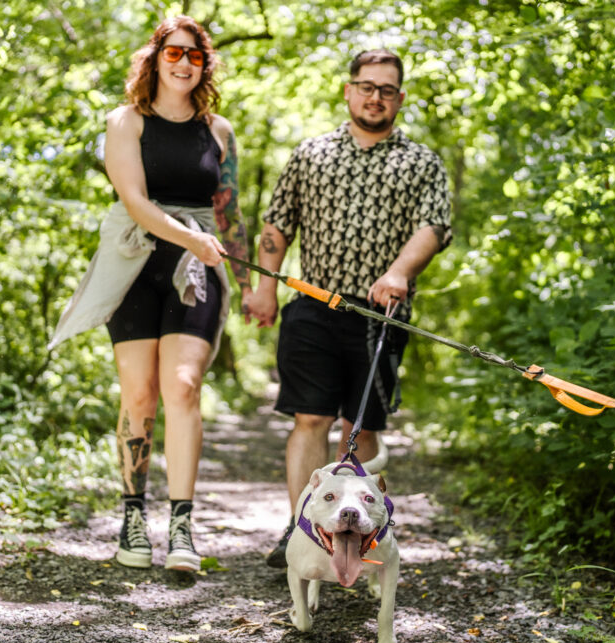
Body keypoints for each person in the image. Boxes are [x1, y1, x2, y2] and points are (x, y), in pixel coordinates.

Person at [48, 16, 251, 571]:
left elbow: (229, 211)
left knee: (182, 386)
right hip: (136, 260)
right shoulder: (126, 121)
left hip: (198, 266)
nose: (185, 63)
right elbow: (135, 201)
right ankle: (133, 515)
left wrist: (251, 282)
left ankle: (182, 527)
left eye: (195, 56)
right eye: (174, 53)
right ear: (156, 58)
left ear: (204, 65)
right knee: (139, 395)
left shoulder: (220, 132)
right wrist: (192, 235)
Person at [242, 49, 452, 568]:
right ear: (348, 90)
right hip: (312, 306)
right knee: (309, 417)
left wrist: (400, 271)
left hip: (380, 319)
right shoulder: (311, 153)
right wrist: (262, 287)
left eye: (386, 89)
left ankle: (355, 535)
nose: (374, 96)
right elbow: (277, 223)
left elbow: (434, 227)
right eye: (366, 86)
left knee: (359, 429)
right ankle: (302, 531)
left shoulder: (421, 162)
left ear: (399, 98)